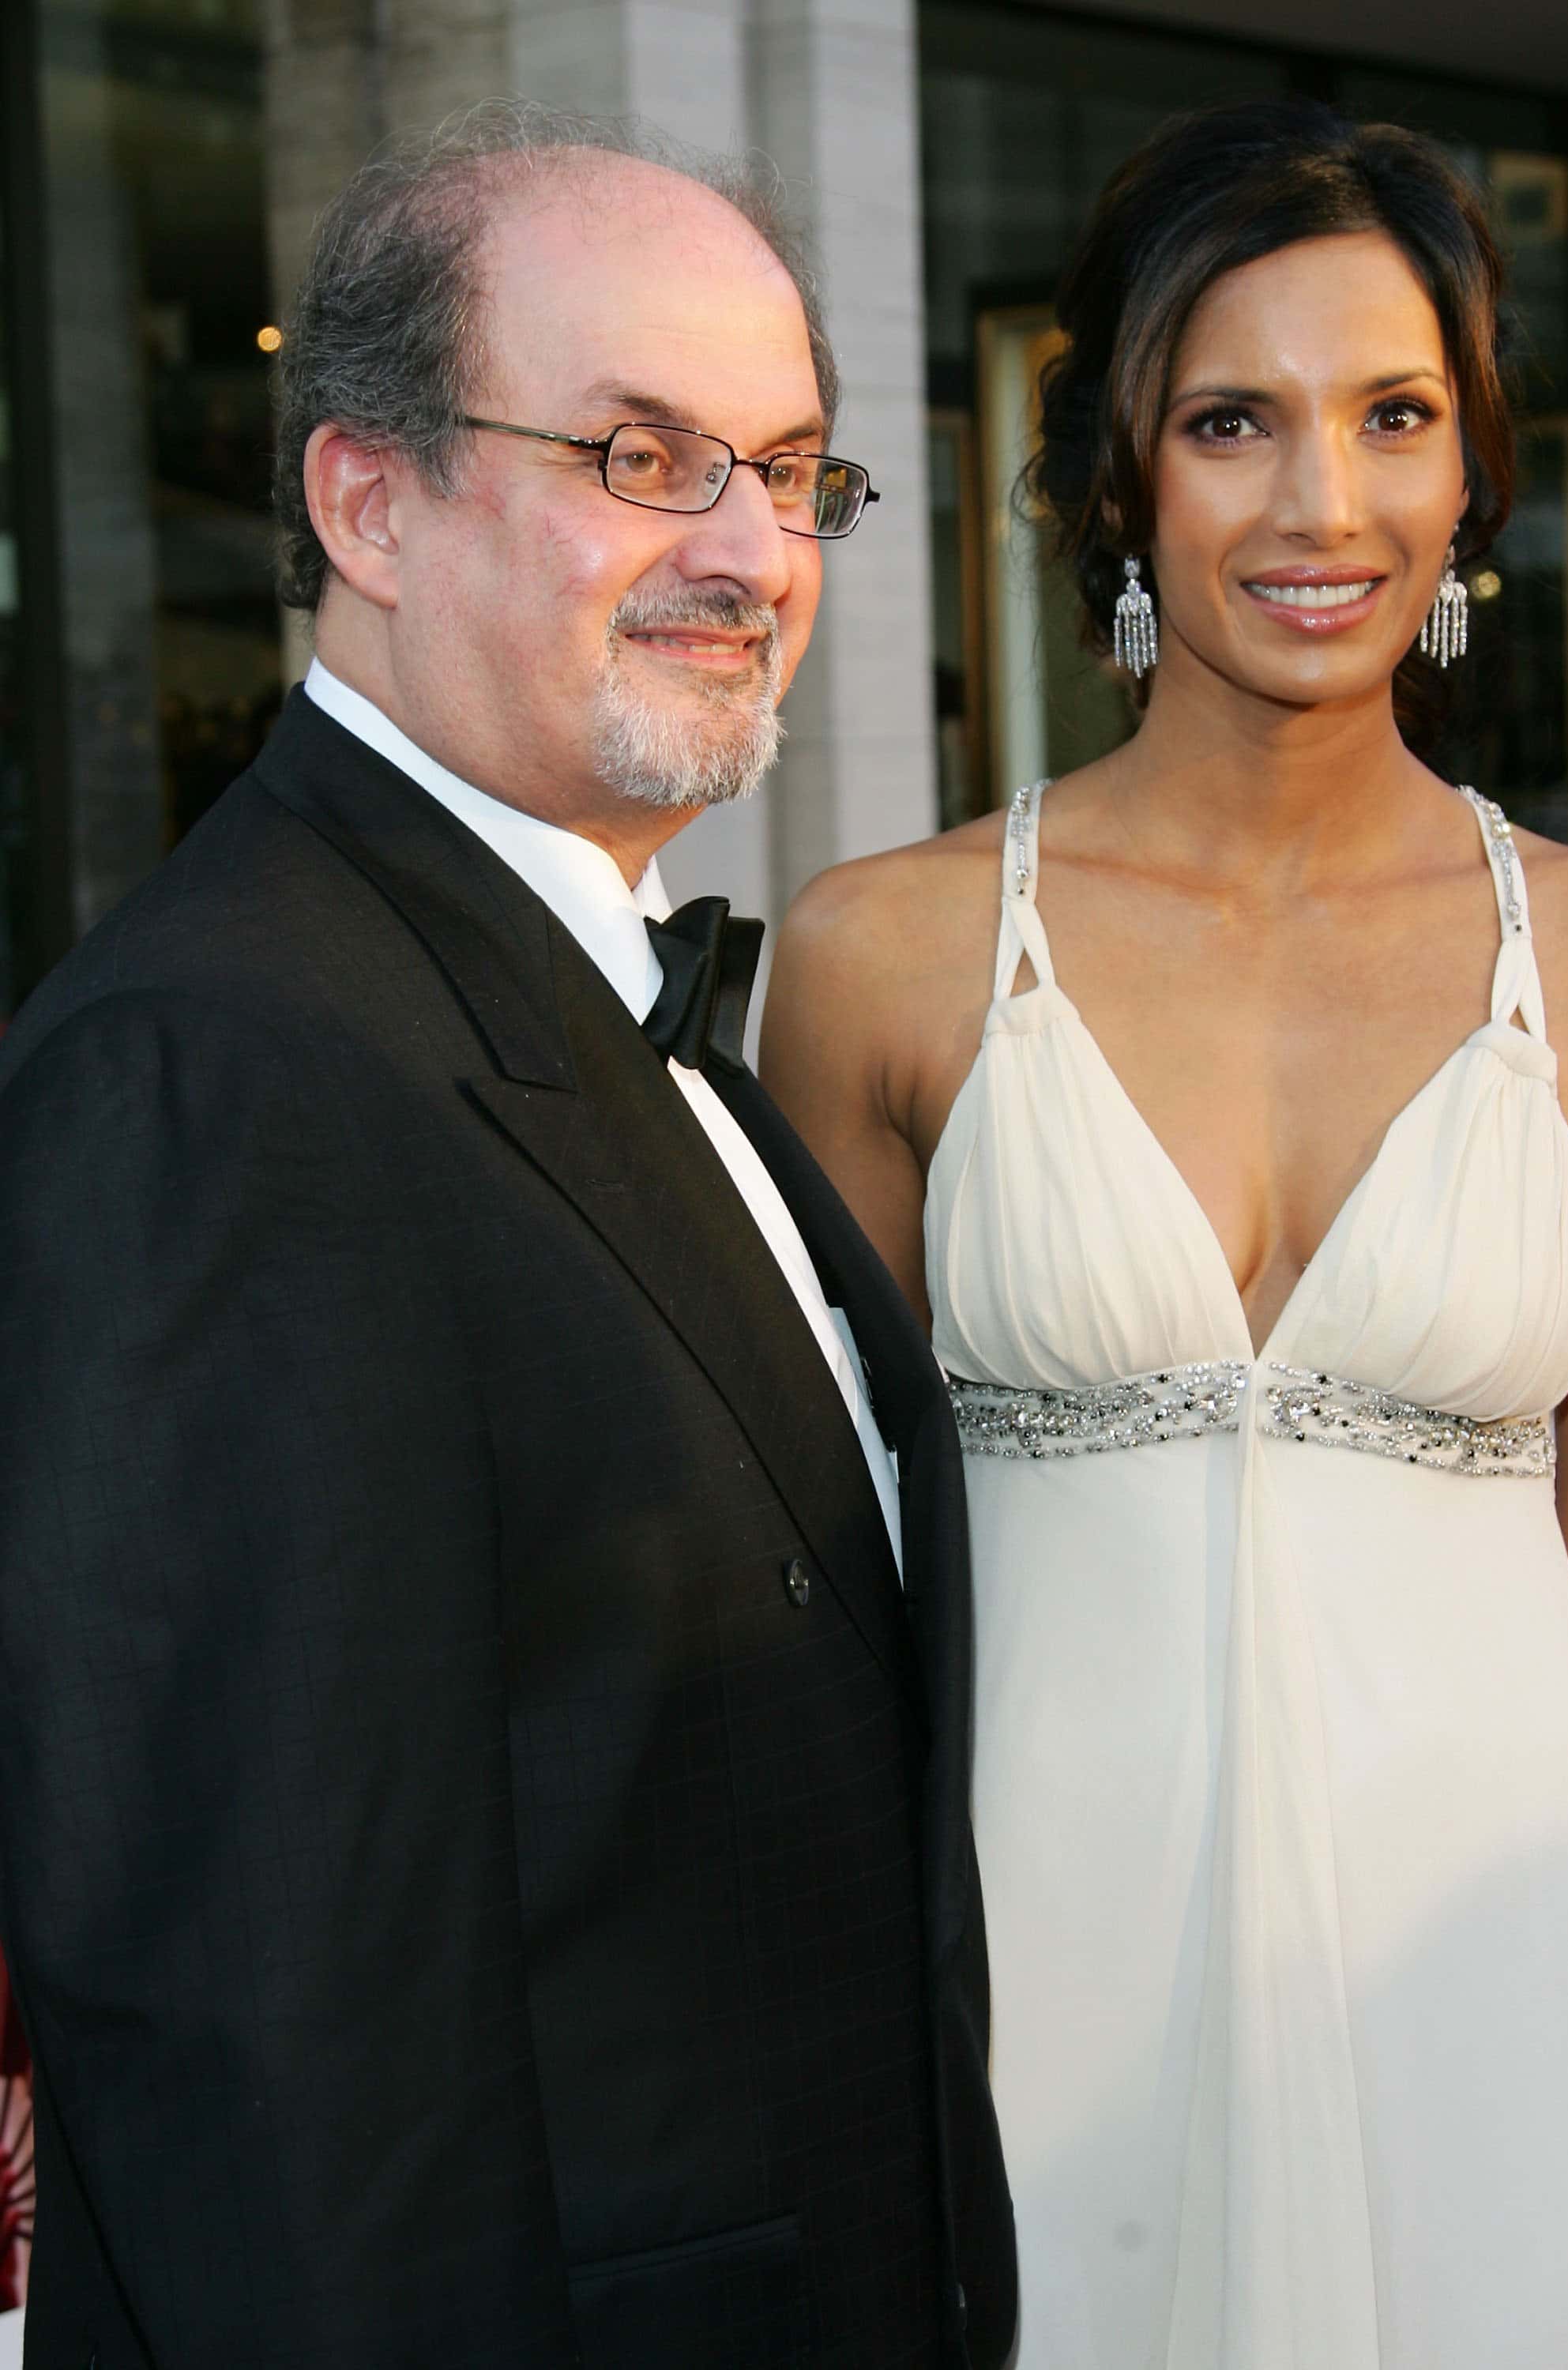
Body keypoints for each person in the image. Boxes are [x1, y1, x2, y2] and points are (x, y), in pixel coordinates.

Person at [0, 105, 1014, 2369]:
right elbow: (267, 2045)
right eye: (642, 458)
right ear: (368, 501)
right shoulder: (220, 1075)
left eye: (789, 467)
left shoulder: (583, 997)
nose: (750, 544)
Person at [765, 100, 1568, 2369]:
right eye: (1233, 419)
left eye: (1395, 415)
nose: (1322, 503)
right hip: (1025, 2003)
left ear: (1475, 477)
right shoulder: (884, 957)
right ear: (1119, 480)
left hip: (1504, 1993)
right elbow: (812, 1589)